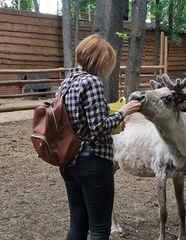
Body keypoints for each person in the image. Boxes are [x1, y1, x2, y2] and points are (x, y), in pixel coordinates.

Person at [58, 34, 141, 240]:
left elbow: (81, 122)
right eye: (106, 62)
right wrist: (123, 112)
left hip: (69, 161)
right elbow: (98, 128)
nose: (106, 68)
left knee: (77, 225)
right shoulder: (92, 82)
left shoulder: (66, 82)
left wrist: (112, 119)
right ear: (98, 60)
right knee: (99, 229)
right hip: (93, 162)